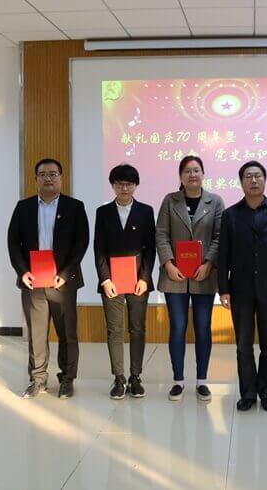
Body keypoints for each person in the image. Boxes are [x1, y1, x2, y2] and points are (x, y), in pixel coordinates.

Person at [7, 158, 89, 400]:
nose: (48, 178)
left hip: (62, 281)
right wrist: (22, 271)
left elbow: (81, 243)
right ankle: (38, 379)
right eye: (43, 174)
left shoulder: (75, 207)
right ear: (36, 179)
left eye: (53, 174)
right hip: (33, 281)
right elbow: (13, 242)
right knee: (36, 333)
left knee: (67, 333)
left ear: (61, 178)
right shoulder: (23, 207)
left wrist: (65, 274)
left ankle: (67, 379)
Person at [218, 161, 267, 412]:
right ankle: (248, 393)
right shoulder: (230, 215)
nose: (253, 180)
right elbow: (223, 255)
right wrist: (223, 289)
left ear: (265, 179)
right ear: (241, 182)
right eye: (248, 176)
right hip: (240, 289)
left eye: (258, 176)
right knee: (243, 345)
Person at [155, 156, 225, 402]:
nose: (192, 175)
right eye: (187, 171)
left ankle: (202, 381)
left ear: (203, 174)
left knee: (203, 327)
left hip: (203, 275)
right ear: (181, 176)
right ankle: (178, 381)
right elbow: (161, 234)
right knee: (177, 327)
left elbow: (219, 236)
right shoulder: (170, 200)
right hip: (174, 276)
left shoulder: (215, 201)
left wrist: (209, 263)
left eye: (196, 170)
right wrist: (168, 263)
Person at [94, 164, 155, 400]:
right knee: (115, 329)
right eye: (119, 184)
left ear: (135, 185)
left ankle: (135, 377)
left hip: (138, 281)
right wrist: (105, 279)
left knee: (137, 328)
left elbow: (150, 249)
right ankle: (119, 378)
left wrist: (145, 278)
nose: (124, 188)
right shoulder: (103, 212)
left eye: (129, 184)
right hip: (112, 282)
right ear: (112, 185)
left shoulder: (146, 211)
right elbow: (99, 248)